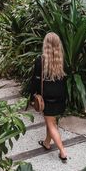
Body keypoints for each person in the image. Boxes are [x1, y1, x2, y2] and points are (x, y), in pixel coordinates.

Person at [30, 32, 68, 162]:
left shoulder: (40, 60)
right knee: (51, 121)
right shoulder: (62, 59)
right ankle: (47, 143)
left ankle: (62, 151)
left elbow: (35, 80)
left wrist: (32, 95)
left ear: (45, 45)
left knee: (51, 123)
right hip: (60, 95)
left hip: (47, 97)